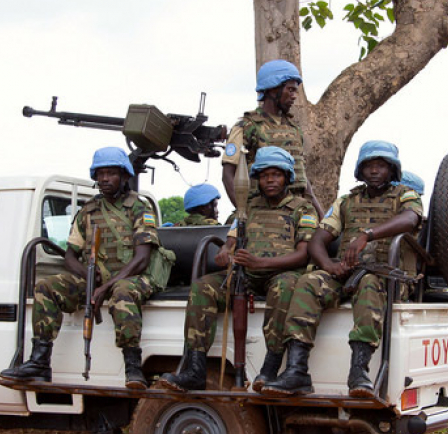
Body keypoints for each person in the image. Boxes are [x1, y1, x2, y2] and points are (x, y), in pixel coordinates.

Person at [262, 140, 422, 398]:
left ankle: (359, 372)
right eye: (369, 165)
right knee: (308, 282)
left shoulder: (405, 195)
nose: (374, 171)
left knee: (369, 283)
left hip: (385, 277)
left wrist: (367, 235)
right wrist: (328, 265)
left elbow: (410, 218)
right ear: (360, 170)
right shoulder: (347, 201)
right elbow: (318, 238)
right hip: (347, 273)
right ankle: (296, 371)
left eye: (381, 165)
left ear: (392, 170)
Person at [158, 147, 318, 392]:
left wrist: (260, 263)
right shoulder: (248, 206)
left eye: (276, 175)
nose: (270, 180)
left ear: (287, 177)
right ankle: (194, 369)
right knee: (202, 287)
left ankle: (270, 368)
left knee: (284, 287)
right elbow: (232, 237)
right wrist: (226, 251)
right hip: (246, 273)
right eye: (265, 176)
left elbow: (303, 254)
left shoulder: (302, 209)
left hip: (281, 274)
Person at [0, 147, 160, 386]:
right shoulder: (87, 211)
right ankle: (40, 362)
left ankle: (133, 368)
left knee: (122, 293)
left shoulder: (139, 208)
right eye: (100, 174)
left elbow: (142, 259)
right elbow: (70, 255)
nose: (104, 179)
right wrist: (84, 272)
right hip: (96, 278)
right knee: (46, 287)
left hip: (133, 276)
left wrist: (105, 286)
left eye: (111, 173)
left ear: (125, 176)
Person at [222, 59, 324, 217]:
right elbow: (228, 174)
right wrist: (244, 215)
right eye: (290, 90)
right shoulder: (247, 127)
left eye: (295, 91)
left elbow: (302, 180)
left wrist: (322, 218)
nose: (294, 96)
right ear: (272, 89)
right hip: (262, 212)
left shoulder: (294, 129)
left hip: (298, 213)